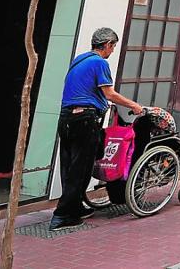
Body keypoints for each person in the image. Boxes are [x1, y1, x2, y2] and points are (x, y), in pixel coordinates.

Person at [49, 27, 143, 231]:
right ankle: (62, 216)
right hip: (85, 120)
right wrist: (133, 105)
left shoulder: (80, 59)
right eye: (114, 46)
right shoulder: (99, 63)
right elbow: (109, 94)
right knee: (80, 168)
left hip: (66, 118)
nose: (113, 51)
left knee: (69, 166)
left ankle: (74, 207)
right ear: (107, 45)